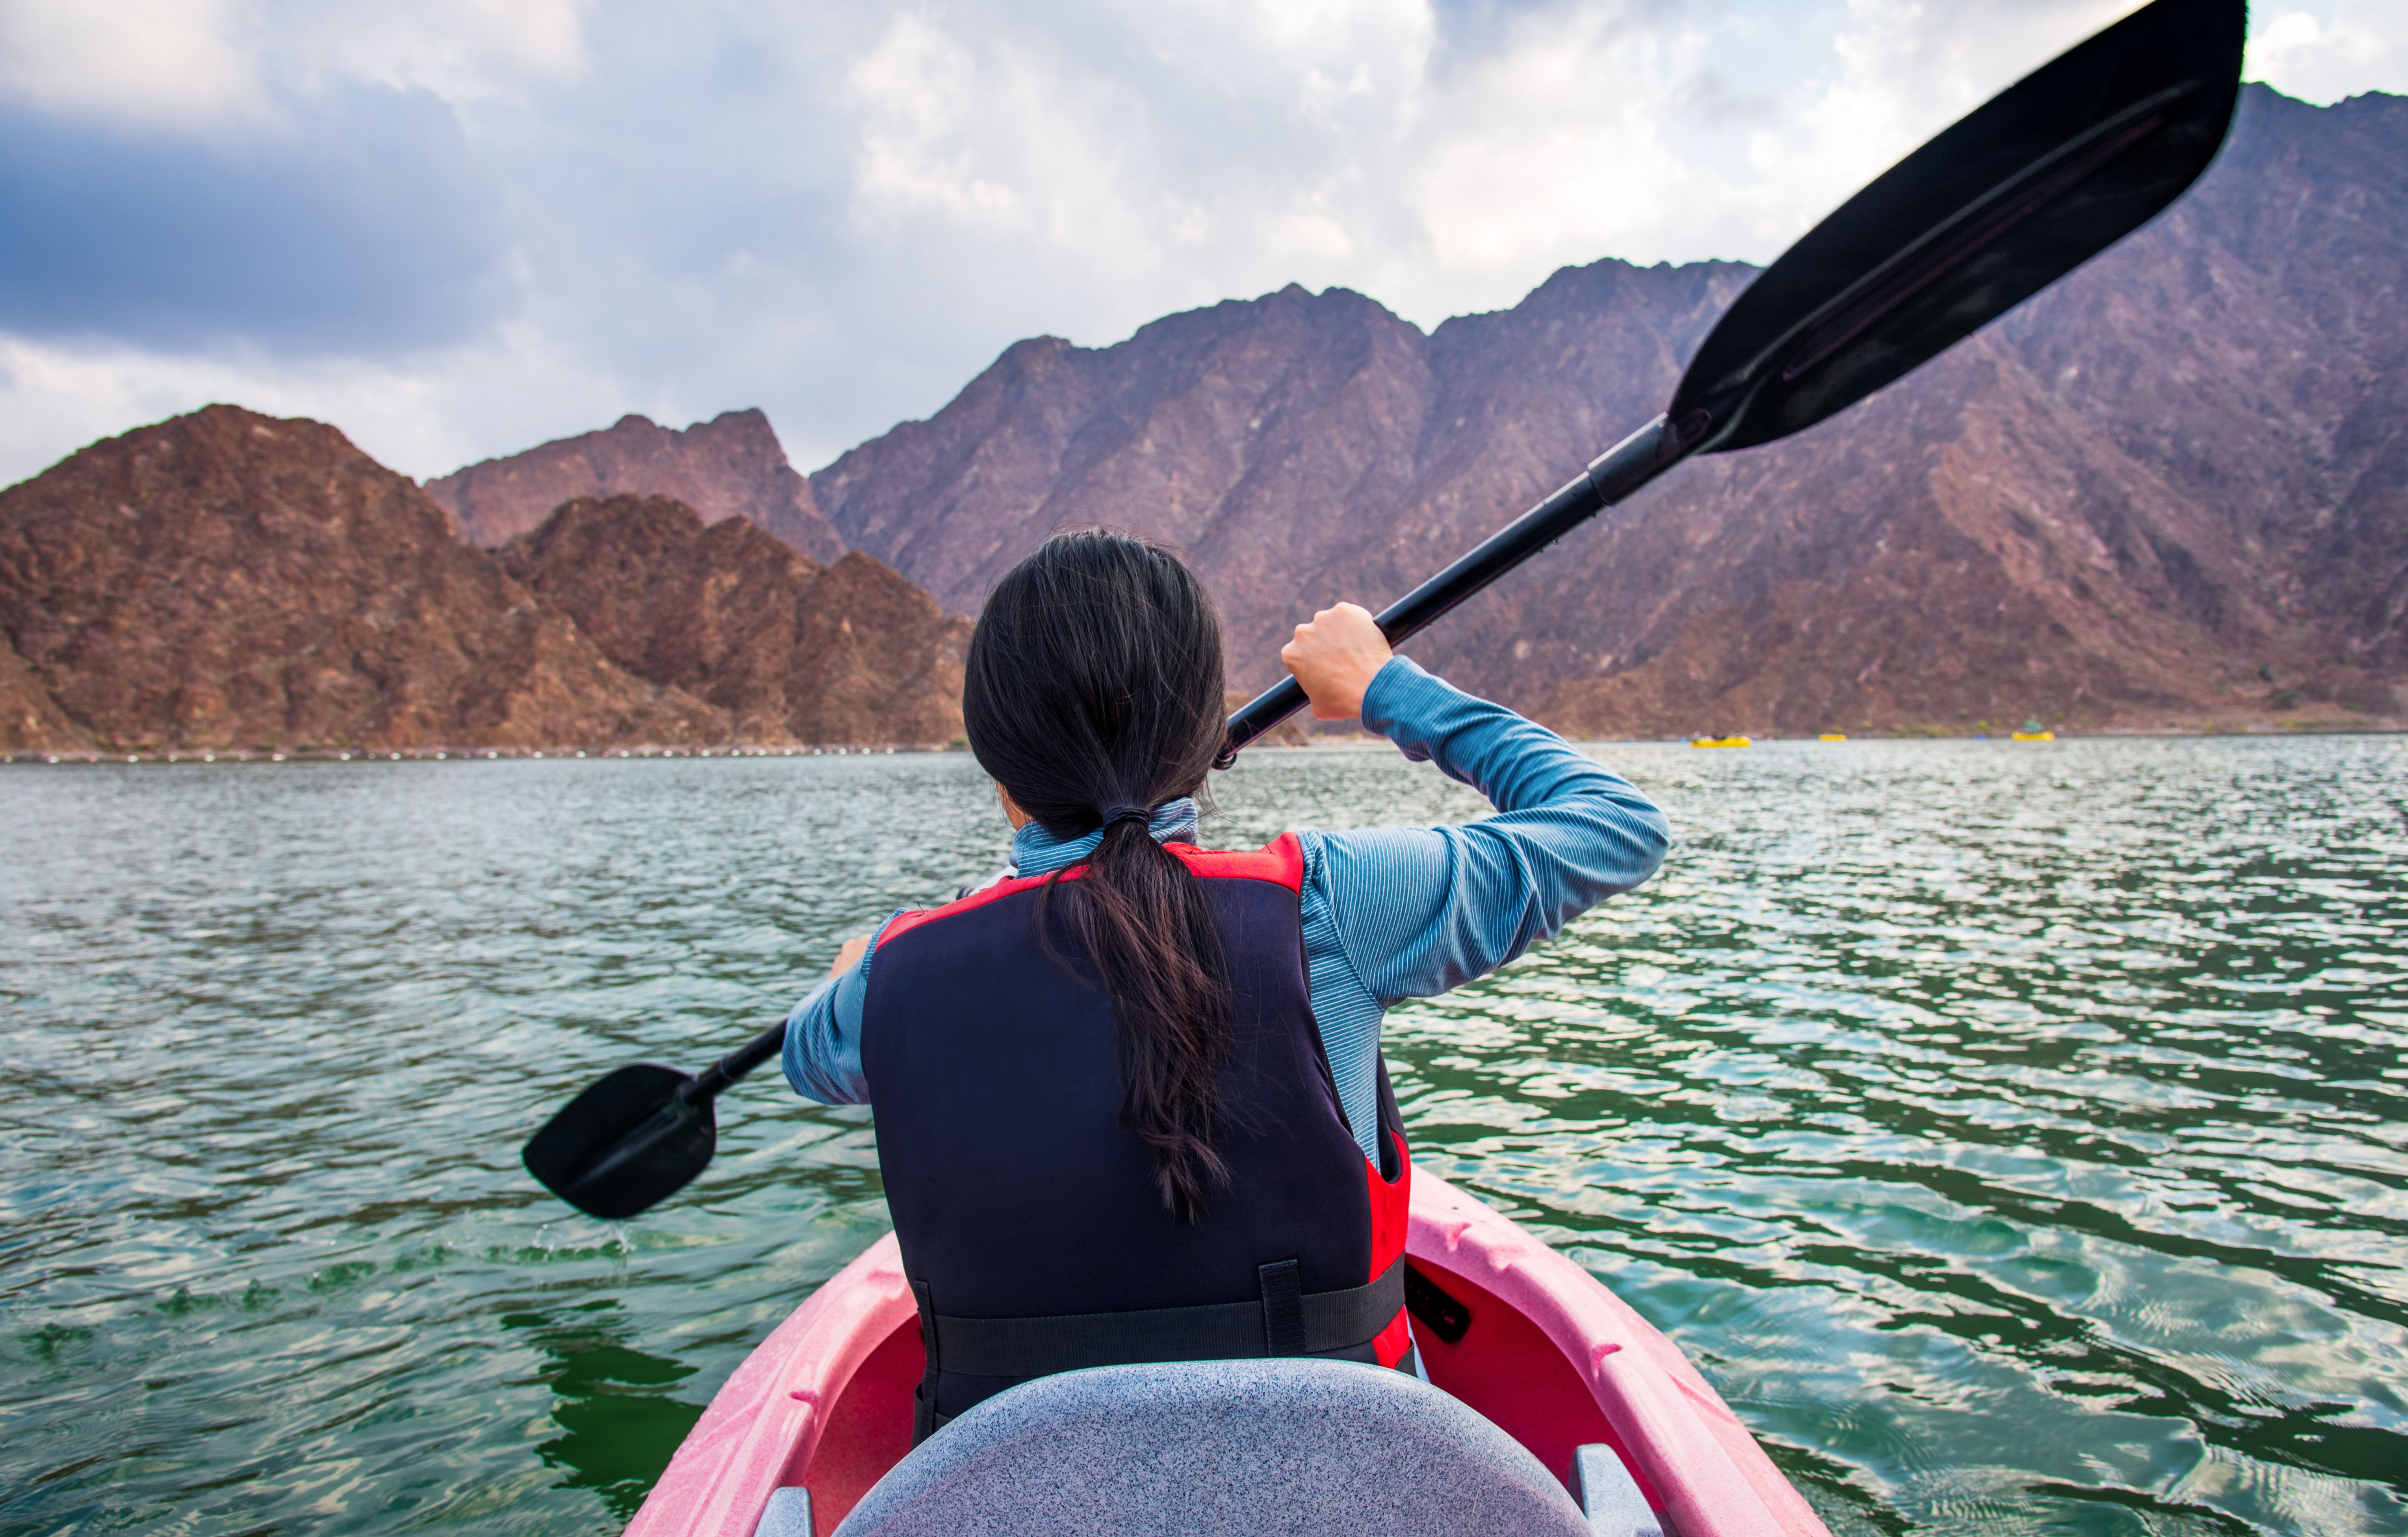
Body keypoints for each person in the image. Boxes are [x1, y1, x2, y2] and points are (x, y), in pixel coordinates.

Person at [782, 531, 1669, 1438]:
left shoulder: (897, 973)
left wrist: (867, 963)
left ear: (1000, 773)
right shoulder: (1333, 902)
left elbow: (809, 1054)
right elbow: (1617, 825)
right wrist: (1382, 688)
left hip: (1015, 1490)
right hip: (1341, 1475)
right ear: (1209, 741)